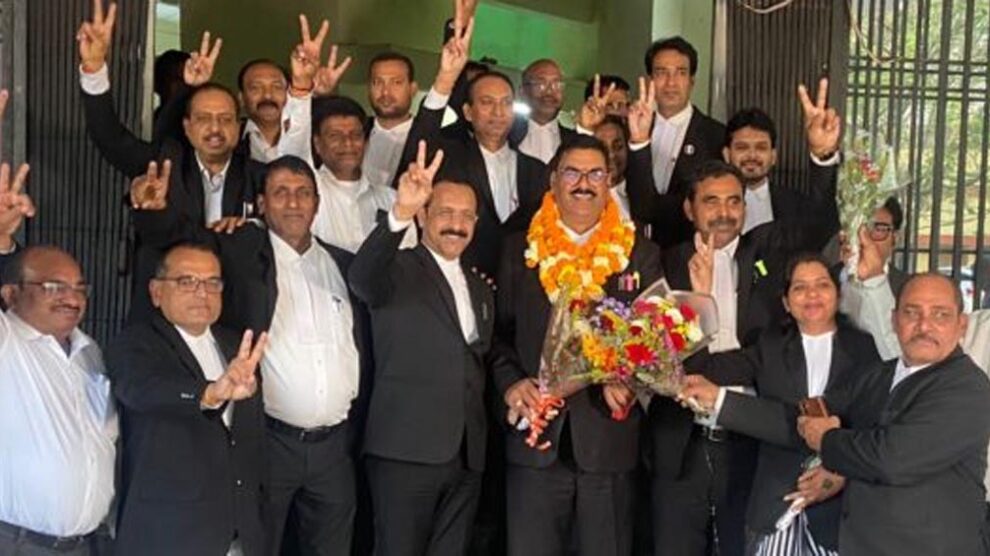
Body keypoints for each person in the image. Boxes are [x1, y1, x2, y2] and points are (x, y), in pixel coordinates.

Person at [131, 155, 369, 556]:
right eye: (281, 192)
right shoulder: (238, 248)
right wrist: (153, 211)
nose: (293, 202)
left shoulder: (343, 264)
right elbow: (180, 238)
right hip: (268, 441)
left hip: (333, 449)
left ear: (317, 203)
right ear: (261, 203)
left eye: (303, 193)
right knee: (260, 546)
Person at [644, 79, 841, 553]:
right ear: (690, 208)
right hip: (680, 442)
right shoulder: (664, 264)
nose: (725, 212)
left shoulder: (768, 252)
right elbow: (660, 357)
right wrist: (697, 299)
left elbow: (819, 223)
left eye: (734, 201)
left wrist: (822, 157)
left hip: (749, 439)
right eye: (711, 201)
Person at [491, 135, 662, 555]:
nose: (584, 183)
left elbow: (654, 341)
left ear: (609, 182)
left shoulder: (639, 253)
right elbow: (496, 336)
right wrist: (511, 384)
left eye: (595, 174)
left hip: (608, 442)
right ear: (553, 180)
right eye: (572, 172)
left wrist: (626, 378)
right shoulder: (518, 250)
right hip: (534, 439)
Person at [678, 253, 881, 555]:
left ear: (838, 295)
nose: (812, 294)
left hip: (840, 512)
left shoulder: (863, 348)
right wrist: (700, 299)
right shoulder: (769, 347)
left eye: (822, 285)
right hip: (776, 504)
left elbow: (873, 425)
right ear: (786, 302)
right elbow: (700, 370)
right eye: (800, 287)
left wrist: (840, 474)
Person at [349, 142, 495, 554]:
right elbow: (362, 278)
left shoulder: (481, 285)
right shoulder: (396, 268)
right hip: (405, 451)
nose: (456, 224)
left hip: (466, 453)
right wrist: (399, 213)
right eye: (445, 212)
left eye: (466, 216)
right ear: (424, 215)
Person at [797, 273, 990, 555]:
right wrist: (727, 405)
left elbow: (891, 459)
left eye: (940, 315)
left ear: (961, 325)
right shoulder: (877, 375)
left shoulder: (968, 388)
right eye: (912, 313)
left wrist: (826, 440)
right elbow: (823, 411)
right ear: (894, 320)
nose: (924, 326)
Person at [106, 244, 268, 556]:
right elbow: (141, 390)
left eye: (212, 282)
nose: (202, 292)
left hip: (238, 534)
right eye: (187, 281)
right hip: (168, 534)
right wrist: (208, 394)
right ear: (156, 292)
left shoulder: (237, 346)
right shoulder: (135, 343)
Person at [0, 162, 118, 556]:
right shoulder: (8, 342)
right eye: (53, 286)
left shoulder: (90, 352)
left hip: (85, 545)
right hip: (18, 544)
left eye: (79, 288)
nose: (72, 297)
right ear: (10, 295)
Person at [403, 16, 548, 276]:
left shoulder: (536, 171)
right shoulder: (449, 159)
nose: (498, 112)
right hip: (461, 280)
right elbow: (420, 143)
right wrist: (445, 79)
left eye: (506, 103)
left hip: (520, 286)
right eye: (487, 102)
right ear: (468, 112)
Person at [634, 36, 726, 247]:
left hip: (691, 251)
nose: (671, 83)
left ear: (692, 81)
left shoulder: (716, 136)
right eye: (661, 72)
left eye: (681, 73)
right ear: (650, 80)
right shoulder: (631, 128)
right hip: (633, 250)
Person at [309, 95, 416, 252]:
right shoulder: (307, 193)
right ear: (317, 144)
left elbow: (408, 259)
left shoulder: (392, 199)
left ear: (366, 142)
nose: (348, 143)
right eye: (335, 136)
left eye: (355, 135)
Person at [722, 107, 838, 235]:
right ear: (727, 154)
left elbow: (824, 221)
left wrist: (822, 154)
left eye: (761, 148)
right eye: (742, 148)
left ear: (773, 156)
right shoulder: (709, 204)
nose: (752, 155)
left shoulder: (796, 206)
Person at [838, 197, 909, 360]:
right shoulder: (821, 282)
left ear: (895, 237)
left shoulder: (909, 288)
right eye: (857, 227)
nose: (865, 238)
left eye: (878, 229)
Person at [363, 51, 419, 188]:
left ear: (412, 89)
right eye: (377, 82)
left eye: (396, 83)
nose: (385, 92)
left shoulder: (430, 138)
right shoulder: (356, 131)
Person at [510, 58, 577, 163]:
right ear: (523, 92)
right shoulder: (505, 134)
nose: (549, 91)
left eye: (557, 84)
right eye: (541, 84)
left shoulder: (573, 140)